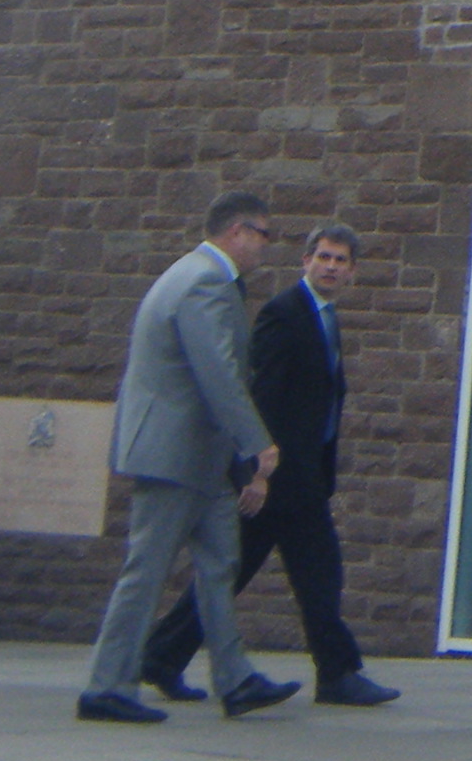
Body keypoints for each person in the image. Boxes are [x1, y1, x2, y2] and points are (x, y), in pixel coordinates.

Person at [142, 222, 397, 708]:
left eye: (340, 260)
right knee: (317, 575)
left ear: (353, 272)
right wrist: (255, 471)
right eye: (323, 257)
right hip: (279, 477)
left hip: (302, 477)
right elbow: (261, 395)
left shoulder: (324, 317)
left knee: (248, 573)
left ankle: (161, 655)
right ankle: (337, 675)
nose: (330, 267)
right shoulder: (285, 314)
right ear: (305, 261)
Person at [77, 193, 298, 724]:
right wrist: (257, 441)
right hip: (174, 456)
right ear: (237, 231)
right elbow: (216, 372)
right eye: (263, 235)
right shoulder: (205, 281)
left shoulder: (196, 276)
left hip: (199, 458)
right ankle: (106, 687)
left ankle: (235, 679)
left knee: (220, 565)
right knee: (147, 570)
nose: (265, 247)